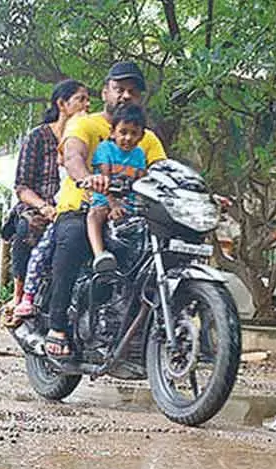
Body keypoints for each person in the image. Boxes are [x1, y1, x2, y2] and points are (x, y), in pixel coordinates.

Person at [44, 61, 166, 357]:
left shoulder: (146, 138)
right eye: (119, 89)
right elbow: (73, 156)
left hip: (130, 214)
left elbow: (164, 171)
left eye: (133, 91)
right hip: (83, 206)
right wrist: (87, 177)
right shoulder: (84, 124)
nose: (125, 95)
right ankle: (56, 326)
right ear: (105, 92)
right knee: (73, 238)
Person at [6, 79, 90, 320]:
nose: (87, 105)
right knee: (26, 228)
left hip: (76, 205)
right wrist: (44, 207)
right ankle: (20, 295)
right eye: (80, 99)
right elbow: (22, 186)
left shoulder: (87, 134)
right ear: (62, 104)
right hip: (39, 205)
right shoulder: (38, 136)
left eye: (88, 100)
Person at [85, 104, 148, 273]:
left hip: (130, 204)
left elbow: (141, 181)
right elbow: (104, 180)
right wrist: (113, 205)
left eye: (134, 133)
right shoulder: (105, 149)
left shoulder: (139, 154)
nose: (128, 138)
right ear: (113, 132)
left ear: (141, 136)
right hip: (105, 200)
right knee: (94, 216)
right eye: (123, 132)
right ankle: (99, 254)